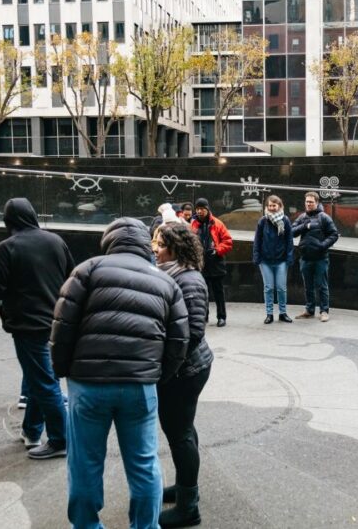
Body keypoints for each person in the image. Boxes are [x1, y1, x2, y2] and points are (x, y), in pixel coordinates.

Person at [50, 217, 189, 529]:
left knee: (84, 463)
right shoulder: (165, 281)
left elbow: (62, 327)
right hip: (139, 386)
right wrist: (157, 375)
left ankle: (86, 525)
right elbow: (179, 341)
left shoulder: (87, 270)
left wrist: (63, 370)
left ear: (108, 241)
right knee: (144, 463)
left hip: (88, 384)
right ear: (144, 244)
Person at [0, 197, 72, 460]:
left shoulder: (6, 247)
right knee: (39, 378)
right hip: (57, 321)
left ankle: (61, 439)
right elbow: (71, 277)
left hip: (28, 325)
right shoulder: (55, 241)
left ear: (8, 220)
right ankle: (32, 431)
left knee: (45, 383)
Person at [153, 222, 213, 528]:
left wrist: (167, 369)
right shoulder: (174, 275)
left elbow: (193, 333)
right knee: (183, 430)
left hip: (185, 371)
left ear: (176, 249)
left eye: (162, 245)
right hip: (183, 369)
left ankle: (189, 507)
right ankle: (184, 486)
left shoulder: (188, 280)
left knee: (180, 434)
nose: (156, 250)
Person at [292, 191, 340, 322]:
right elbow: (292, 232)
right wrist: (305, 226)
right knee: (308, 286)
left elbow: (334, 234)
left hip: (320, 258)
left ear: (317, 203)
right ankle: (309, 310)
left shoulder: (324, 217)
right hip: (305, 258)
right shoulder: (302, 217)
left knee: (322, 286)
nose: (308, 204)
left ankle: (324, 311)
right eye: (307, 202)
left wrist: (322, 245)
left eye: (311, 202)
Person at [191, 198, 234, 327]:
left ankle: (221, 317)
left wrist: (217, 250)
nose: (199, 211)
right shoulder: (193, 224)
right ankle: (204, 316)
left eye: (202, 209)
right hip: (201, 263)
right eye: (197, 209)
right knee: (203, 292)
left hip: (216, 262)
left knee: (218, 292)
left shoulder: (217, 223)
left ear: (207, 209)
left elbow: (228, 241)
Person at [253, 195, 293, 324]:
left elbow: (289, 240)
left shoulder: (285, 220)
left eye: (274, 205)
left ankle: (283, 313)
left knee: (281, 288)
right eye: (269, 205)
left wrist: (289, 257)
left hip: (281, 260)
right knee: (268, 288)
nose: (271, 208)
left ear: (280, 206)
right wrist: (257, 257)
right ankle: (269, 314)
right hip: (265, 260)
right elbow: (257, 240)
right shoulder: (263, 221)